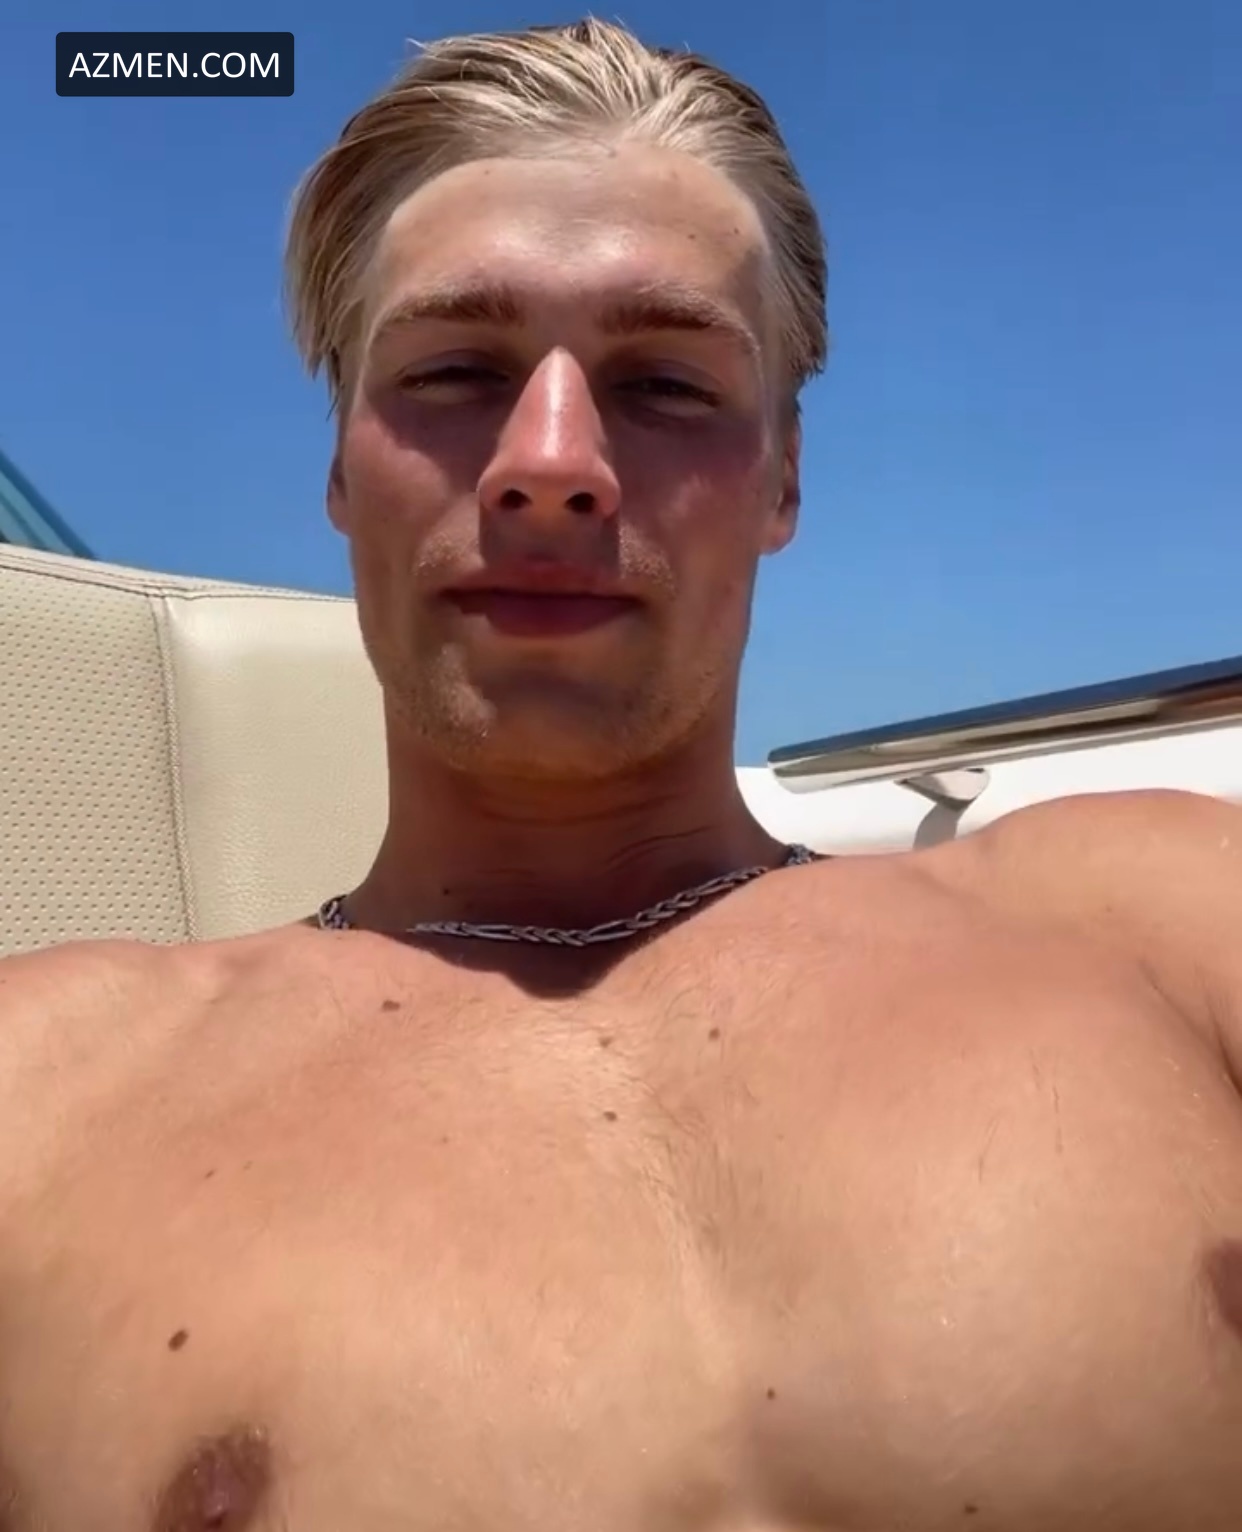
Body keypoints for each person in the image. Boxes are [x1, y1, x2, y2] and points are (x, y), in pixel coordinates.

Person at [1, 17, 1240, 1530]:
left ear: (783, 477)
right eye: (455, 369)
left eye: (663, 385)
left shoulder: (1166, 921)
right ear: (337, 469)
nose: (550, 461)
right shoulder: (41, 1089)